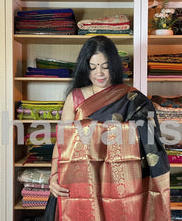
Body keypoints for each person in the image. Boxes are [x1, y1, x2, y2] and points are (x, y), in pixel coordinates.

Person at [48, 35, 170, 220]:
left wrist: (98, 130)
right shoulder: (75, 97)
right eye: (93, 67)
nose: (100, 73)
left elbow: (150, 131)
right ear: (85, 67)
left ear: (114, 66)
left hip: (121, 184)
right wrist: (54, 175)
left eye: (105, 67)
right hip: (80, 178)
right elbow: (62, 141)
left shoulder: (129, 97)